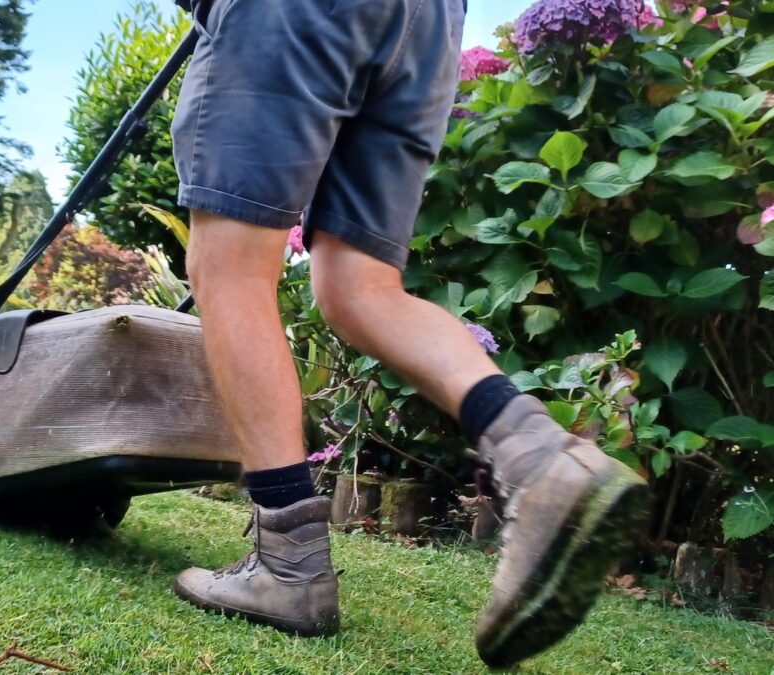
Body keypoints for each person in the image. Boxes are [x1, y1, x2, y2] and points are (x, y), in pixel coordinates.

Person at [168, 0, 647, 667]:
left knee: (229, 265)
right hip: (426, 22)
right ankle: (537, 455)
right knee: (358, 288)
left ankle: (289, 564)